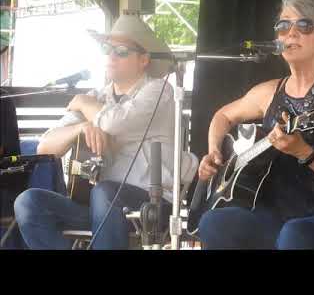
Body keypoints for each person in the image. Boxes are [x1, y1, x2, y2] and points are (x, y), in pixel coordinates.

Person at [197, 0, 314, 249]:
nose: (291, 32)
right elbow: (222, 116)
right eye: (283, 26)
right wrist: (214, 152)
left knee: (295, 235)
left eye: (304, 25)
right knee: (214, 223)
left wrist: (304, 152)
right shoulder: (270, 91)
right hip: (278, 216)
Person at [14, 14, 194, 249]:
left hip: (151, 206)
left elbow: (114, 122)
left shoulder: (159, 90)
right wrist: (81, 126)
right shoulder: (97, 97)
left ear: (144, 60)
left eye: (120, 51)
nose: (110, 56)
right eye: (107, 48)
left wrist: (82, 102)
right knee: (28, 203)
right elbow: (45, 147)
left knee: (105, 192)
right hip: (100, 206)